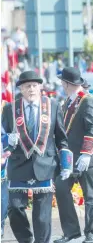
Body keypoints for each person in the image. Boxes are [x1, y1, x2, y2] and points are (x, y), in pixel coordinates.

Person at [2, 71, 72, 243]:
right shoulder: (10, 108)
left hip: (45, 164)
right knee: (15, 208)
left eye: (34, 85)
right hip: (18, 165)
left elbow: (62, 138)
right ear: (21, 89)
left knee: (42, 214)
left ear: (40, 87)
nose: (31, 89)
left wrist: (66, 163)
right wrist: (6, 139)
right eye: (27, 86)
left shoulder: (53, 106)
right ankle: (26, 239)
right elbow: (2, 135)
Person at [54, 67, 93, 243]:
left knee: (90, 196)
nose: (61, 84)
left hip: (85, 157)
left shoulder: (87, 101)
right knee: (60, 189)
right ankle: (71, 231)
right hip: (69, 159)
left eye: (62, 82)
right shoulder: (67, 102)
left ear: (67, 84)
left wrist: (87, 154)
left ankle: (91, 234)